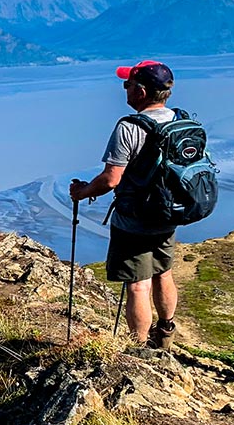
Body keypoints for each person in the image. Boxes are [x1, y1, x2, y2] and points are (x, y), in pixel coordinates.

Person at [70, 60, 178, 350]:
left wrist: (82, 192)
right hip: (168, 213)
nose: (125, 89)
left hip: (135, 218)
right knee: (163, 272)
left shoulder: (129, 128)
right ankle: (165, 333)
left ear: (141, 92)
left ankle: (138, 349)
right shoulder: (178, 121)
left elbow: (111, 179)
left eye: (127, 84)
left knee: (138, 284)